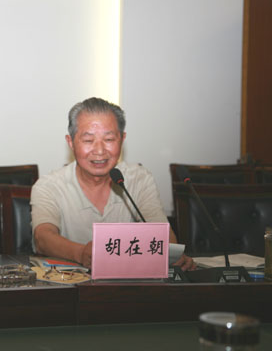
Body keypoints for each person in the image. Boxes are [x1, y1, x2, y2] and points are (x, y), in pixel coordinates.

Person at [31, 97, 196, 271]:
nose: (100, 151)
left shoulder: (139, 179)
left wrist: (172, 255)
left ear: (122, 140)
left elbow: (162, 232)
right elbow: (43, 238)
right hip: (70, 283)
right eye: (88, 141)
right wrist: (80, 253)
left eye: (109, 139)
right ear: (71, 142)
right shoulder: (49, 186)